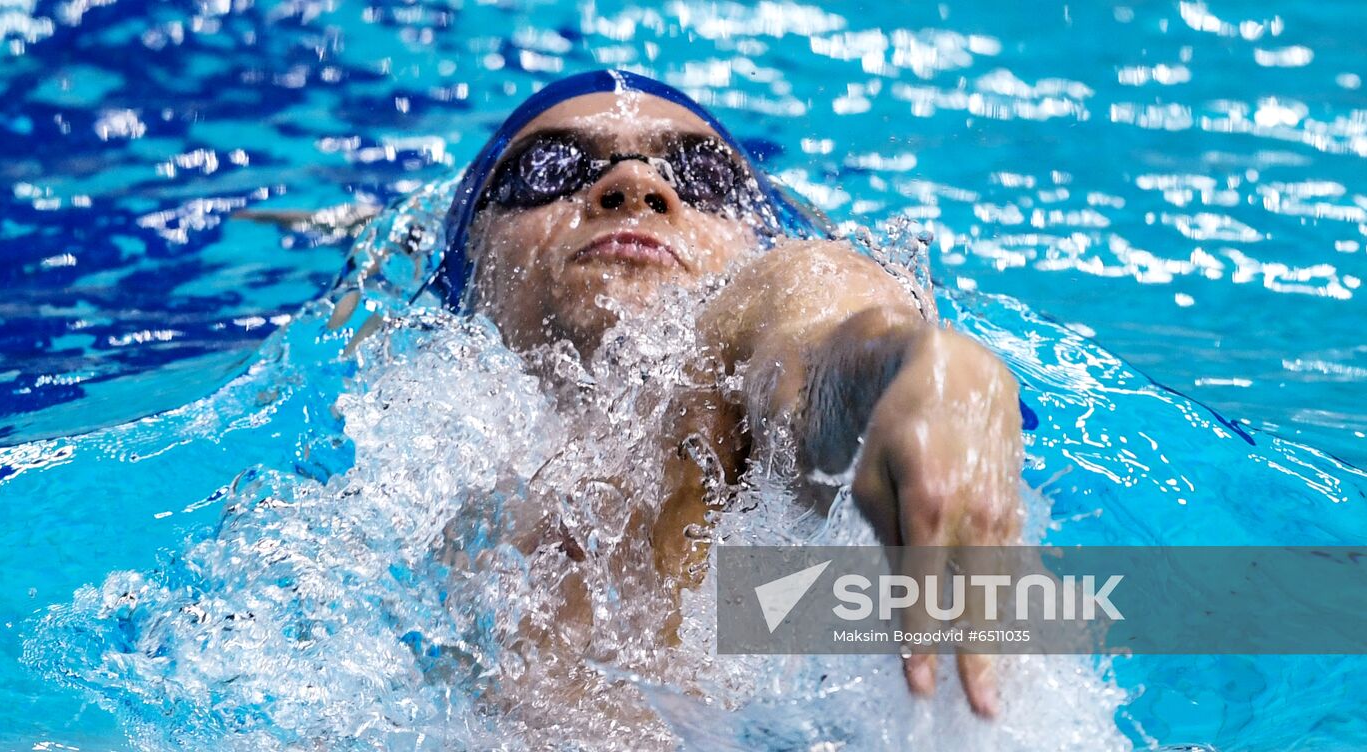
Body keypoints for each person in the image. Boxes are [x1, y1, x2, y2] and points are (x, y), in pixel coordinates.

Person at [337, 70, 1023, 719]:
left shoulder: (749, 324)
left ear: (757, 243)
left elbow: (813, 321)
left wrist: (918, 376)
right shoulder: (384, 473)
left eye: (705, 177)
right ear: (468, 262)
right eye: (548, 169)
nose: (634, 183)